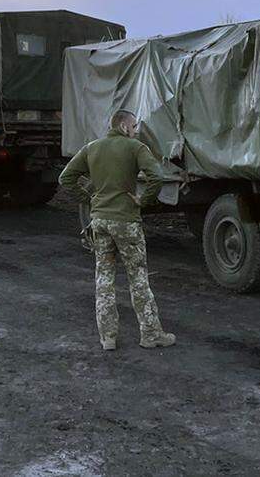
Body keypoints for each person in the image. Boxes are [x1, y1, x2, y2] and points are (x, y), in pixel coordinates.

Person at [59, 109, 176, 351]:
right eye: (134, 127)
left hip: (99, 221)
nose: (136, 131)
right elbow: (156, 176)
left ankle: (108, 337)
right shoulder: (135, 148)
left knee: (104, 278)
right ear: (124, 127)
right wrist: (144, 201)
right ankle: (150, 334)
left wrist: (89, 197)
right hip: (126, 221)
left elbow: (65, 178)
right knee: (138, 278)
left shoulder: (92, 147)